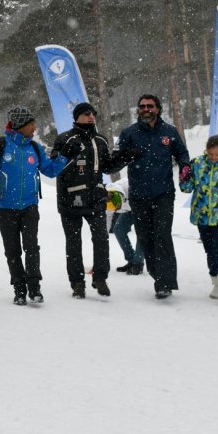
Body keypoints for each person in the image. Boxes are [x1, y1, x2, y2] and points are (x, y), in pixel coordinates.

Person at [0, 106, 78, 305]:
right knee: (12, 250)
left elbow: (50, 171)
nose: (35, 127)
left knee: (32, 247)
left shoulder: (34, 148)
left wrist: (64, 156)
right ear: (19, 126)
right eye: (31, 124)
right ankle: (19, 289)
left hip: (29, 206)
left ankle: (34, 287)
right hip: (5, 207)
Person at [50, 102, 130, 298]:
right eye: (86, 114)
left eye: (93, 113)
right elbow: (54, 167)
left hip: (95, 198)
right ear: (77, 116)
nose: (91, 116)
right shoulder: (65, 139)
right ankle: (77, 283)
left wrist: (125, 158)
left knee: (102, 239)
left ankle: (100, 278)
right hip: (70, 199)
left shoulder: (100, 139)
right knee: (74, 243)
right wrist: (67, 153)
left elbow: (108, 167)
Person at [116, 94, 189, 299]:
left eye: (150, 106)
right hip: (138, 196)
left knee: (162, 235)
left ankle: (165, 282)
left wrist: (185, 168)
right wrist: (128, 155)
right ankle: (158, 275)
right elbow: (115, 160)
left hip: (163, 194)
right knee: (146, 237)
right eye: (142, 106)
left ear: (158, 109)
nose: (145, 109)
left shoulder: (169, 132)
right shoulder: (129, 133)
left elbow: (182, 154)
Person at [179, 135, 218, 302]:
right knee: (209, 249)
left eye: (217, 154)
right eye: (211, 154)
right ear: (206, 150)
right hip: (202, 215)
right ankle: (216, 281)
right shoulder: (198, 164)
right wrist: (184, 176)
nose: (214, 158)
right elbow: (187, 188)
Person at [107, 177, 144, 276]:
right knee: (118, 229)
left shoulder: (130, 184)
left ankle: (138, 263)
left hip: (143, 206)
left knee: (141, 232)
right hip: (128, 209)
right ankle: (131, 260)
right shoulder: (109, 194)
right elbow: (108, 214)